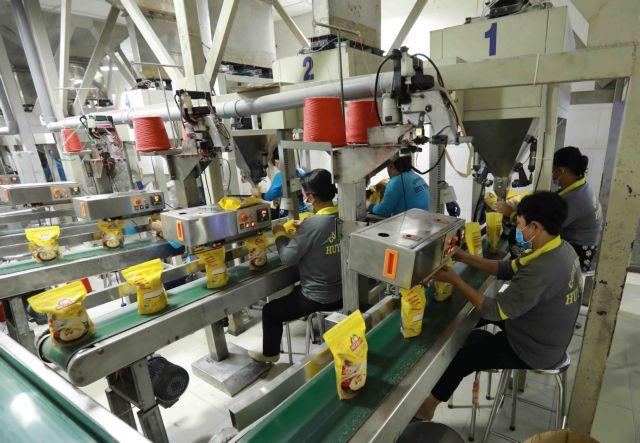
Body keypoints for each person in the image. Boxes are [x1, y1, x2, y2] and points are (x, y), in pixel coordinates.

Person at [415, 191, 581, 421]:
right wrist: (466, 257)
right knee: (471, 318)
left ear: (535, 226)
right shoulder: (560, 248)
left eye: (520, 225)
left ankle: (426, 409)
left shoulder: (542, 269)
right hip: (540, 327)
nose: (518, 230)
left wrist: (455, 280)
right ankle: (437, 354)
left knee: (463, 359)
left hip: (534, 348)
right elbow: (508, 268)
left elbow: (495, 311)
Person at [249, 169, 342, 363]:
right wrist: (304, 229)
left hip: (318, 297)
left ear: (311, 197)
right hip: (343, 292)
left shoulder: (313, 224)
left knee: (270, 311)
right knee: (294, 292)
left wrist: (280, 233)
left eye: (304, 194)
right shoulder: (343, 215)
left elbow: (287, 257)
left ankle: (270, 355)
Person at [497, 146, 602, 271]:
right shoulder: (579, 188)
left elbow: (543, 227)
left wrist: (513, 214)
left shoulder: (576, 200)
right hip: (576, 242)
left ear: (560, 171)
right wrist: (521, 208)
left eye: (553, 170)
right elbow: (548, 208)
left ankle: (525, 272)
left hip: (578, 252)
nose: (553, 175)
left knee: (518, 237)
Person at [252, 150, 308, 217]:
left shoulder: (280, 176)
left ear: (279, 161)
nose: (275, 164)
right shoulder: (301, 171)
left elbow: (269, 197)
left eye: (276, 162)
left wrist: (259, 194)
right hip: (304, 211)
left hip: (289, 214)